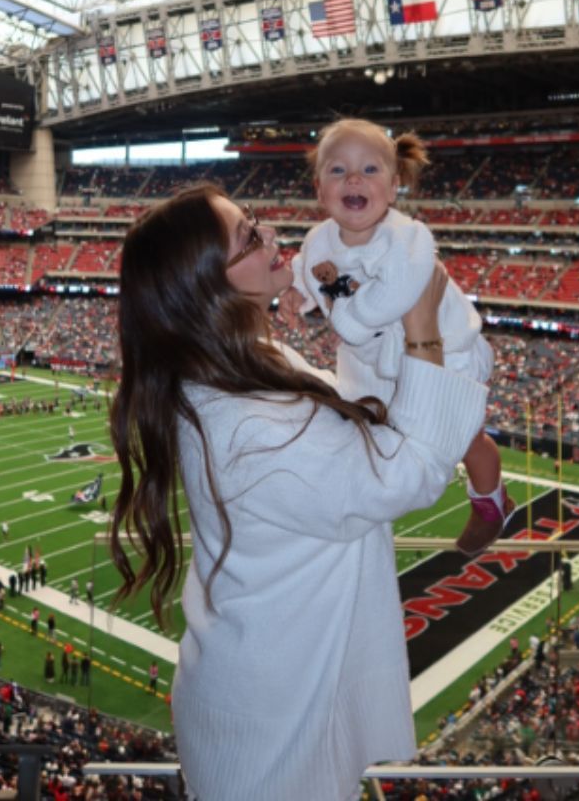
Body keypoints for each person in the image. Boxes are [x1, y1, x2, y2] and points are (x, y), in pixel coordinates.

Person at [107, 184, 488, 801]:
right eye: (248, 238)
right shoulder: (250, 430)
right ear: (212, 286)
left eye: (255, 223)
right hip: (272, 725)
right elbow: (409, 472)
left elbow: (366, 427)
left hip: (269, 684)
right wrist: (421, 323)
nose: (271, 238)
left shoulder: (241, 367)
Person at [279, 118, 510, 554]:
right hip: (376, 361)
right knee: (384, 439)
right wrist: (298, 290)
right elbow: (312, 269)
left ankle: (491, 502)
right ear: (319, 188)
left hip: (444, 350)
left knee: (464, 440)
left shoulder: (407, 238)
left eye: (370, 170)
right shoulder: (318, 238)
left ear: (394, 186)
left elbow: (392, 298)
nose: (353, 179)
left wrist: (346, 317)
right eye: (337, 170)